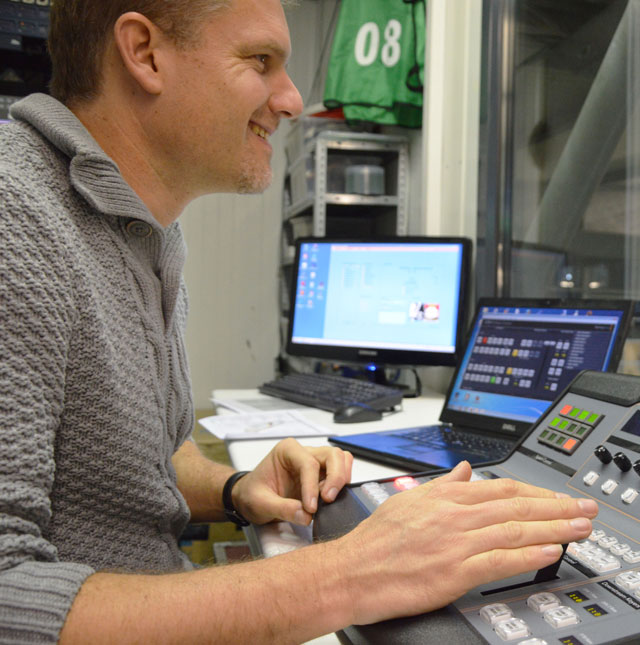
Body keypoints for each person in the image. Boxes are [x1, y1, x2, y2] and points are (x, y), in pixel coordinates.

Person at [0, 1, 598, 642]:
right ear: (145, 53)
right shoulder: (16, 219)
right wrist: (354, 572)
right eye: (260, 61)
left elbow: (130, 462)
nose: (290, 100)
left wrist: (235, 488)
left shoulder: (146, 233)